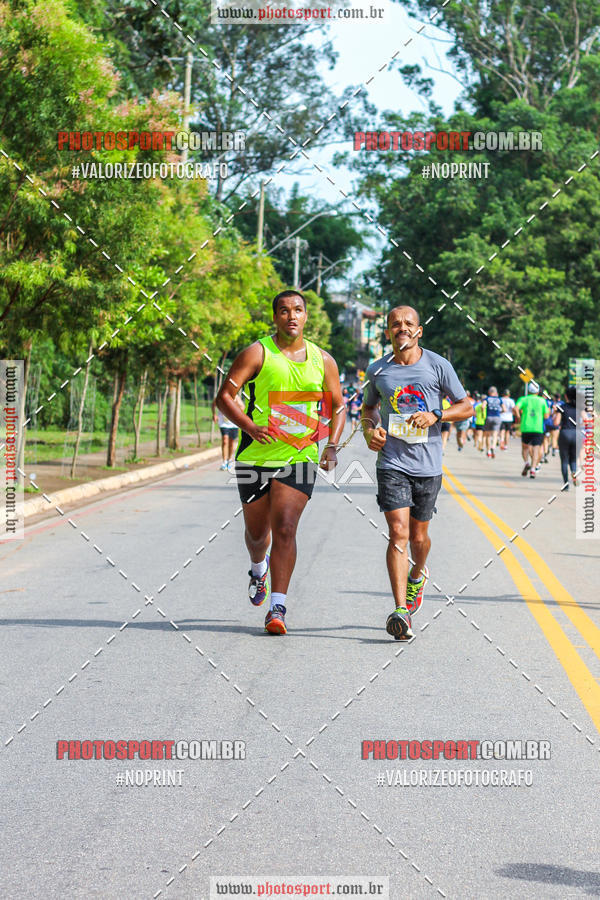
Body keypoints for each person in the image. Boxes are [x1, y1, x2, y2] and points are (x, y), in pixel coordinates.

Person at [216, 290, 345, 635]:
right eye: (284, 311)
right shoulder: (257, 353)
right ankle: (258, 568)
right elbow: (224, 397)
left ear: (306, 316)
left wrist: (331, 446)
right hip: (255, 457)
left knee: (285, 526)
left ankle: (278, 607)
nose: (291, 316)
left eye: (298, 310)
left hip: (299, 456)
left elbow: (338, 405)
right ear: (275, 317)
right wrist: (250, 427)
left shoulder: (323, 360)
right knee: (258, 535)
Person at [361, 305, 473, 641]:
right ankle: (400, 611)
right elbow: (369, 409)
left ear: (419, 330)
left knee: (418, 538)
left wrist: (436, 415)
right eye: (396, 324)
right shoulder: (378, 370)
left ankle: (418, 574)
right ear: (388, 332)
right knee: (398, 532)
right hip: (391, 463)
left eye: (409, 323)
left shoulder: (438, 365)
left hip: (428, 465)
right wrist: (370, 431)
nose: (402, 328)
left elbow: (466, 406)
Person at [515, 382, 550, 478]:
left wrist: (518, 417)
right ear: (538, 391)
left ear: (529, 391)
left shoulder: (523, 399)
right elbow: (546, 416)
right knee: (536, 449)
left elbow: (516, 408)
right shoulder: (542, 401)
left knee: (525, 447)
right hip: (538, 428)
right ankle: (533, 469)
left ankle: (526, 462)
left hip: (526, 427)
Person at [554, 387, 578, 488]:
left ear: (566, 396)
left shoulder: (562, 407)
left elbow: (556, 422)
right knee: (573, 460)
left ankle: (566, 484)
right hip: (576, 434)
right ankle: (574, 472)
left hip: (565, 433)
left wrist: (555, 413)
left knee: (564, 460)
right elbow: (586, 420)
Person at [212, 395, 244, 471]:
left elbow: (243, 407)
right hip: (223, 423)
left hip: (233, 423)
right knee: (225, 440)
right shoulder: (221, 395)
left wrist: (236, 410)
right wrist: (214, 414)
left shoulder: (236, 397)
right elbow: (213, 404)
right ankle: (224, 462)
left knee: (231, 442)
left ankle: (229, 459)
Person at [483, 386, 502, 457]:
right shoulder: (499, 399)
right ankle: (493, 447)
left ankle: (488, 451)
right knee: (495, 434)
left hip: (489, 417)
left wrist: (483, 413)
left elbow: (483, 406)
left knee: (488, 435)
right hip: (497, 417)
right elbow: (504, 409)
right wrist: (500, 412)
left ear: (489, 392)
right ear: (496, 392)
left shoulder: (487, 398)